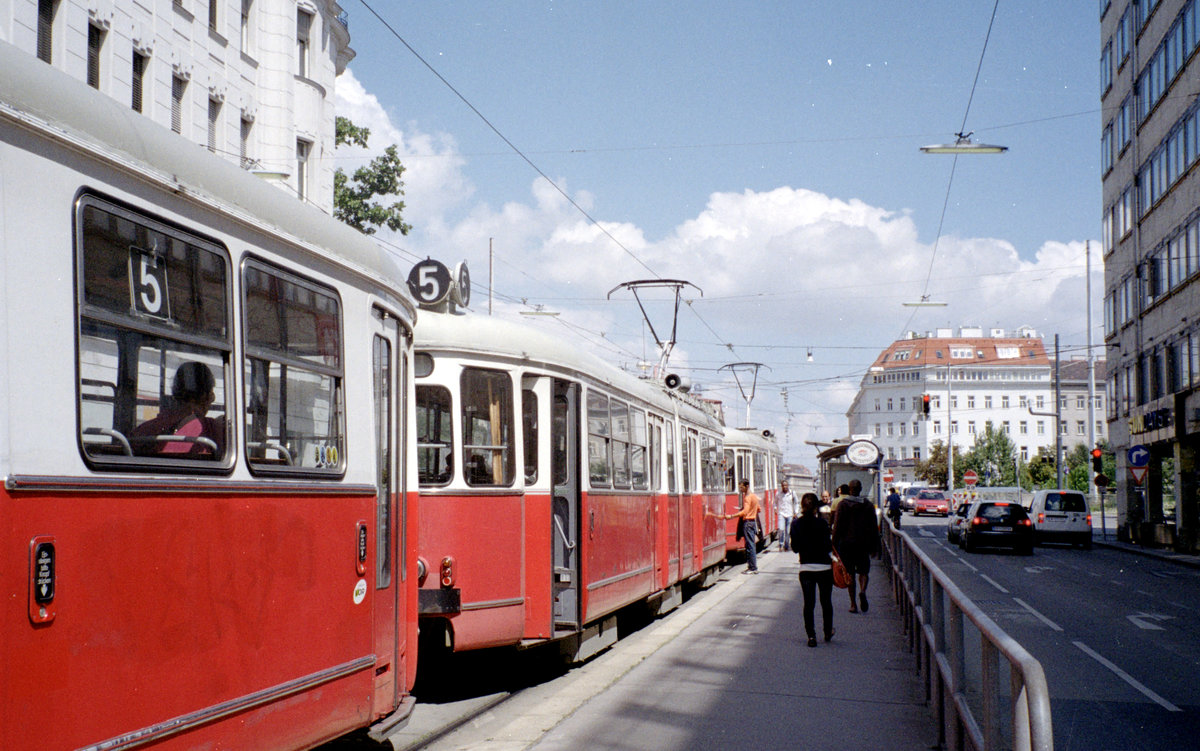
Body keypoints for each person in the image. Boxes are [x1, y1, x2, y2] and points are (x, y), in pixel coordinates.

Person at [131, 361, 226, 458]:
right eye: (211, 393)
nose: (213, 399)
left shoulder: (144, 430)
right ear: (201, 396)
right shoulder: (211, 429)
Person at [791, 492, 834, 647]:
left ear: (802, 507)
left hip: (806, 569)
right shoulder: (822, 524)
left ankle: (811, 636)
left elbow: (795, 548)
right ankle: (828, 631)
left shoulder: (795, 524)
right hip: (824, 568)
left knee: (809, 604)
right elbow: (829, 546)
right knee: (826, 601)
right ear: (816, 508)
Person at [831, 478, 880, 613]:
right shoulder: (868, 505)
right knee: (864, 572)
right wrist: (875, 546)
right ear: (860, 489)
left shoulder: (843, 505)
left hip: (846, 545)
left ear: (850, 489)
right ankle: (863, 590)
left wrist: (833, 544)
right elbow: (874, 527)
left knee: (850, 574)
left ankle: (853, 604)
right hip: (863, 545)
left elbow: (837, 526)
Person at [722, 479, 761, 574]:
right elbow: (758, 509)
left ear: (747, 486)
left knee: (749, 546)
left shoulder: (748, 497)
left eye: (741, 487)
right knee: (751, 544)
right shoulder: (754, 496)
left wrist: (731, 516)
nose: (740, 489)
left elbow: (745, 512)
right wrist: (751, 510)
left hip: (747, 523)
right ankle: (752, 567)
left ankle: (752, 568)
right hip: (752, 522)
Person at [776, 480, 799, 551]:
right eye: (783, 485)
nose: (784, 487)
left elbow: (796, 502)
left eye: (786, 485)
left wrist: (796, 512)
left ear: (788, 485)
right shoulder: (778, 494)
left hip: (790, 514)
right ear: (781, 486)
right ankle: (781, 544)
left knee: (788, 531)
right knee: (781, 529)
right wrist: (775, 509)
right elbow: (775, 503)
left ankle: (786, 545)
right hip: (781, 513)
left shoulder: (792, 493)